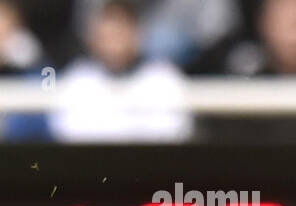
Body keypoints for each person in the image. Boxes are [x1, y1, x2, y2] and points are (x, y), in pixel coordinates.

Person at [48, 0, 192, 143]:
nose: (114, 43)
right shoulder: (75, 80)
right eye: (108, 35)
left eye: (120, 32)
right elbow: (69, 133)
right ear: (93, 38)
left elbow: (172, 132)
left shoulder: (164, 78)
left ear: (137, 34)